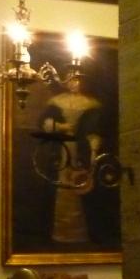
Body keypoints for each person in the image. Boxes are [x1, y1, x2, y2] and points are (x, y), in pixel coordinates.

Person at [38, 71, 105, 244]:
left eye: (78, 80)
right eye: (71, 80)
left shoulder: (91, 104)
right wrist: (61, 127)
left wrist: (94, 147)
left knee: (81, 184)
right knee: (59, 184)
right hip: (59, 148)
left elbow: (95, 129)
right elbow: (43, 123)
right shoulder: (55, 102)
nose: (74, 83)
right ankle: (57, 232)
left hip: (82, 150)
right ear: (65, 81)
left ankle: (82, 233)